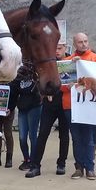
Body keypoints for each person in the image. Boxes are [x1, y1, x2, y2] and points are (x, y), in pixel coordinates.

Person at [25, 43, 71, 178]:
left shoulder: (71, 61)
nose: (57, 51)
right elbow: (38, 79)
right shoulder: (47, 63)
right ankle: (35, 166)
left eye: (59, 48)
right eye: (54, 48)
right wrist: (44, 92)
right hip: (49, 103)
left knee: (64, 135)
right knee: (43, 134)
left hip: (65, 102)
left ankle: (61, 164)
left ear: (65, 49)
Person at [67, 33, 96, 180]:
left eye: (85, 41)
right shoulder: (67, 61)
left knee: (89, 139)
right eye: (80, 42)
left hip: (90, 107)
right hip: (72, 107)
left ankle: (90, 168)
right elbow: (63, 86)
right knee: (76, 139)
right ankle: (78, 168)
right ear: (75, 44)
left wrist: (82, 62)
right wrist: (73, 64)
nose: (83, 44)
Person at [9, 64, 42, 171]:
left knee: (33, 136)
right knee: (22, 137)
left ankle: (34, 160)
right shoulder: (18, 78)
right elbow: (13, 93)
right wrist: (10, 107)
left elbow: (39, 90)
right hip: (22, 109)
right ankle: (26, 159)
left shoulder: (36, 76)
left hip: (34, 107)